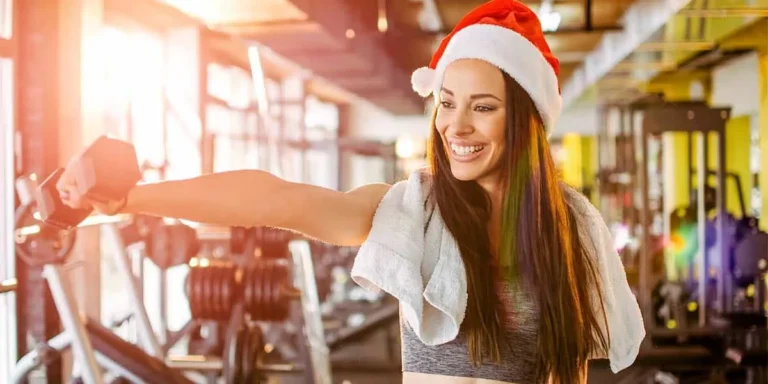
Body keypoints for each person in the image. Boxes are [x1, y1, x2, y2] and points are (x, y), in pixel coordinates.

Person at [57, 0, 644, 383]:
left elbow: (567, 371)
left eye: (482, 108)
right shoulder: (413, 209)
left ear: (525, 121)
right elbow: (274, 199)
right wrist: (133, 198)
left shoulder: (571, 223)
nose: (456, 127)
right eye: (446, 103)